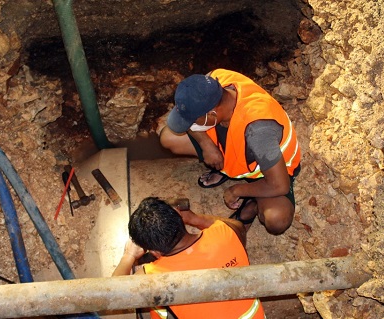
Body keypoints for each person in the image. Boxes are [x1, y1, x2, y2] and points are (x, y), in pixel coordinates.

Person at [159, 69, 301, 235]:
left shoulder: (259, 130)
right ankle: (227, 169)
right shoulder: (214, 80)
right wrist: (207, 145)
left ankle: (253, 202)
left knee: (276, 220)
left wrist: (236, 190)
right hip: (239, 152)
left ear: (212, 114)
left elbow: (279, 185)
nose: (190, 125)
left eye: (193, 121)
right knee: (168, 138)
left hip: (268, 171)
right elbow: (193, 120)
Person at [112, 197, 266, 319]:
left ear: (154, 252)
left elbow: (114, 295)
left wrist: (129, 256)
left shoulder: (154, 277)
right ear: (179, 215)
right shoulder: (226, 234)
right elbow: (238, 226)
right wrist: (195, 219)